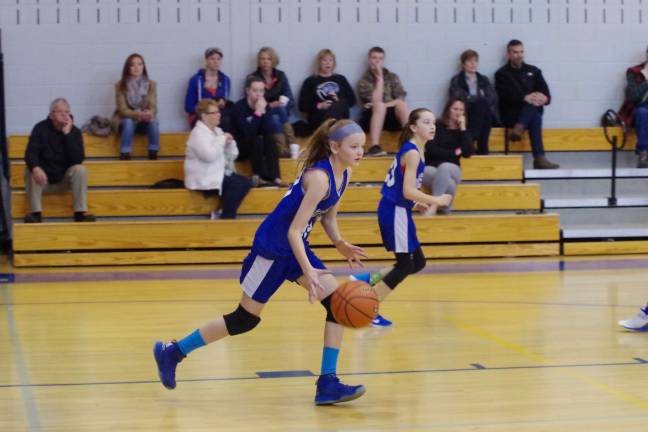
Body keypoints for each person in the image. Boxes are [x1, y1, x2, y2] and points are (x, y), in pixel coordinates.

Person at [154, 119, 369, 405]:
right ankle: (173, 352)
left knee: (337, 305)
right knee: (244, 319)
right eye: (354, 146)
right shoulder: (319, 178)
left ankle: (327, 383)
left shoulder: (344, 174)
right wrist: (309, 272)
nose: (360, 152)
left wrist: (340, 243)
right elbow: (293, 230)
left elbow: (327, 215)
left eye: (362, 146)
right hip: (272, 248)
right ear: (334, 146)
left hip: (295, 248)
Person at [350, 109, 452, 327]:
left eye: (433, 122)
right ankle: (368, 308)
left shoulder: (416, 150)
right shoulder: (413, 153)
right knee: (405, 265)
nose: (432, 126)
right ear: (413, 127)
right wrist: (437, 200)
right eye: (426, 122)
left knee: (418, 262)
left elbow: (401, 188)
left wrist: (415, 204)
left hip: (399, 209)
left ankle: (368, 279)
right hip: (394, 210)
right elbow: (407, 191)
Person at [23, 98, 96, 223]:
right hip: (42, 182)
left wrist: (67, 134)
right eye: (60, 111)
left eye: (67, 112)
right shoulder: (40, 128)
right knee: (30, 169)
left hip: (64, 181)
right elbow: (30, 153)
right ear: (51, 115)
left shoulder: (75, 132)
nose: (64, 114)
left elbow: (78, 159)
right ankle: (35, 213)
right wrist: (36, 168)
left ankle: (80, 213)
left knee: (80, 169)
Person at [495, 40, 559, 169]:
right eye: (515, 52)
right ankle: (539, 158)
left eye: (521, 52)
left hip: (527, 117)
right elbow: (504, 96)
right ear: (508, 54)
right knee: (534, 112)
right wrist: (525, 98)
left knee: (535, 108)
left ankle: (519, 129)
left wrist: (542, 98)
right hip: (511, 114)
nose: (519, 55)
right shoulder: (501, 74)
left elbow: (547, 95)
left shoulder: (534, 71)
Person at [184, 99, 252, 219]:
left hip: (217, 173)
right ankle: (227, 217)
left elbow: (233, 155)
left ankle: (222, 213)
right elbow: (208, 156)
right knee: (235, 184)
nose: (219, 114)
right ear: (204, 116)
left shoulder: (218, 131)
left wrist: (230, 144)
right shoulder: (197, 133)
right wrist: (222, 140)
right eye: (214, 112)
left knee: (246, 182)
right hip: (203, 177)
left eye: (218, 111)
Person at [231, 75, 286, 187]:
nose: (258, 94)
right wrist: (258, 113)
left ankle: (276, 177)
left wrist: (263, 111)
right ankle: (261, 177)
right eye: (255, 90)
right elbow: (247, 132)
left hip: (258, 146)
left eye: (261, 91)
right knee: (256, 140)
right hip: (239, 147)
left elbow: (267, 130)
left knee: (270, 139)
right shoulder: (239, 107)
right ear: (248, 91)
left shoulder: (265, 106)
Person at [422, 98, 473, 215]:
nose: (458, 112)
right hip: (431, 167)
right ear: (448, 110)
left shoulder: (464, 131)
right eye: (455, 109)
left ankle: (434, 206)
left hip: (453, 169)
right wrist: (454, 153)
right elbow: (430, 150)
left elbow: (468, 153)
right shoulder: (436, 126)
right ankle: (445, 208)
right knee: (447, 182)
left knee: (445, 167)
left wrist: (463, 128)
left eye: (461, 110)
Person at [357, 46, 409, 156]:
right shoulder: (363, 80)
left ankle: (410, 144)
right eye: (374, 58)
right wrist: (379, 78)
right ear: (369, 60)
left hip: (390, 116)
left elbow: (400, 98)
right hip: (371, 116)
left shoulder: (392, 77)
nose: (377, 61)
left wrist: (387, 104)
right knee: (379, 106)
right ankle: (374, 146)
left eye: (380, 58)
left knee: (402, 105)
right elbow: (375, 102)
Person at [449, 49, 499, 155]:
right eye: (470, 61)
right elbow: (457, 99)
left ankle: (472, 140)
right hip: (466, 112)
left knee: (483, 106)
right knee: (483, 105)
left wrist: (472, 98)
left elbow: (492, 98)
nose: (473, 64)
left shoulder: (483, 79)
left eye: (475, 61)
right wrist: (476, 99)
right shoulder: (457, 80)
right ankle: (482, 148)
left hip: (481, 112)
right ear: (463, 64)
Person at [113, 53, 160, 161]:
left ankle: (153, 152)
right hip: (125, 121)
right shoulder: (120, 85)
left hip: (143, 121)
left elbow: (153, 105)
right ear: (127, 68)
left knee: (153, 120)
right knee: (129, 121)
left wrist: (150, 113)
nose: (136, 67)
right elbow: (122, 110)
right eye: (132, 65)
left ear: (143, 67)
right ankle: (125, 153)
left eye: (139, 64)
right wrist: (138, 114)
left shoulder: (151, 84)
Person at [251, 46, 296, 157]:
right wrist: (270, 105)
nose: (265, 62)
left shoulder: (281, 76)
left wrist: (281, 105)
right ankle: (291, 145)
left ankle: (283, 150)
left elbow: (289, 97)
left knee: (278, 113)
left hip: (281, 112)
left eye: (268, 59)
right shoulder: (253, 77)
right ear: (259, 61)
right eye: (262, 59)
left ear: (273, 60)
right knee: (275, 115)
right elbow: (252, 102)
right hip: (262, 113)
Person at [298, 49, 356, 132]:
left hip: (340, 117)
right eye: (324, 60)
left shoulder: (341, 79)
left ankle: (336, 130)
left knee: (339, 105)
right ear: (319, 63)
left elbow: (352, 101)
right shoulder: (310, 81)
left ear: (334, 63)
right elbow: (302, 106)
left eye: (330, 60)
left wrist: (338, 100)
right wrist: (319, 105)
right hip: (320, 119)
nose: (328, 63)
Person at [184, 47, 233, 131]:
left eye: (218, 59)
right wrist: (207, 108)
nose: (216, 62)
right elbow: (188, 107)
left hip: (219, 116)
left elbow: (226, 102)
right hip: (200, 116)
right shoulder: (195, 80)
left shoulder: (225, 80)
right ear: (206, 60)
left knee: (229, 121)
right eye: (212, 58)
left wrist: (222, 103)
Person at [621, 46, 648, 168]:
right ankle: (643, 153)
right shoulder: (634, 72)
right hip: (642, 107)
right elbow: (632, 96)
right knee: (642, 113)